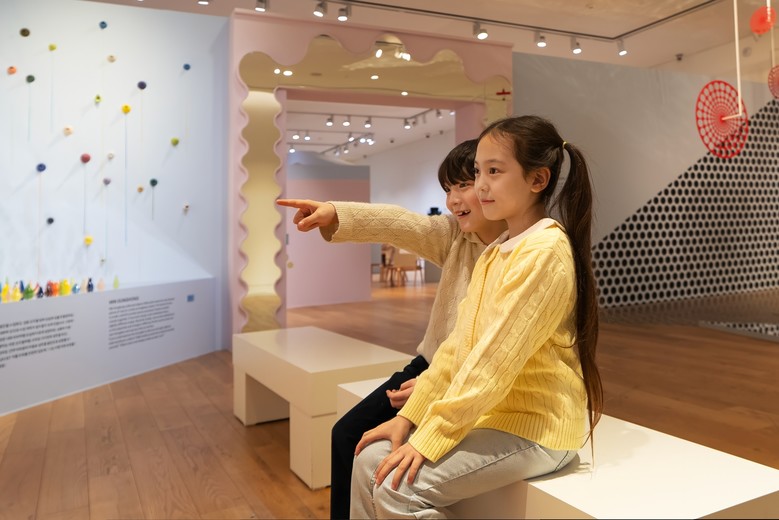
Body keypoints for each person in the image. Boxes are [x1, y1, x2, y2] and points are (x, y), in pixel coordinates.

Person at [350, 115, 604, 519]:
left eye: (494, 171)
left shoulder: (544, 253)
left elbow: (491, 364)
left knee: (396, 488)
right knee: (367, 461)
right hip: (495, 417)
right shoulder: (497, 250)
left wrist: (429, 436)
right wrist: (411, 416)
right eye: (478, 172)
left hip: (539, 429)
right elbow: (457, 348)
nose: (481, 185)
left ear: (538, 180)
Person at [277, 139, 507, 519]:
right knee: (347, 433)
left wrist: (438, 387)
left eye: (464, 185)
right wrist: (335, 212)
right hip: (430, 366)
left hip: (468, 379)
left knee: (375, 453)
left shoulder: (523, 252)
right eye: (448, 189)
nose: (454, 200)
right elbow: (399, 223)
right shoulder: (454, 235)